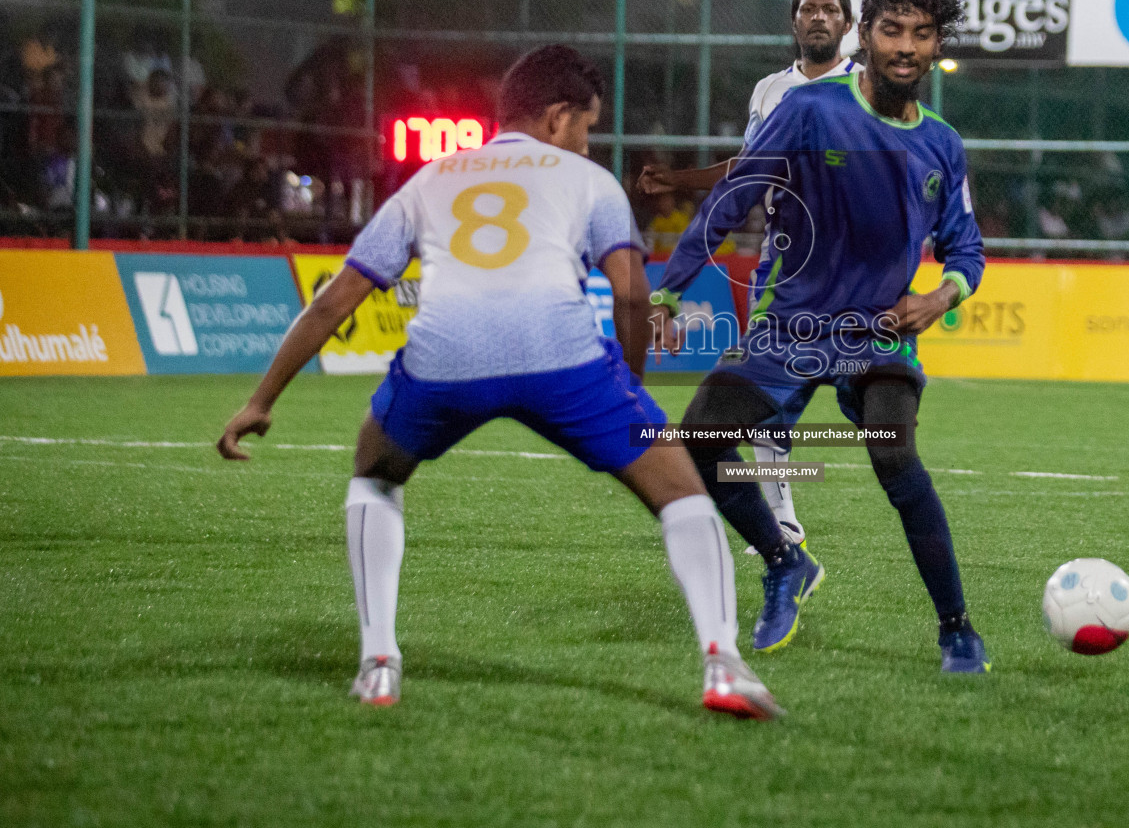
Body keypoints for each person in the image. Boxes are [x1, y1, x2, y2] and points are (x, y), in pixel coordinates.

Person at [216, 45, 782, 719]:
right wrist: (629, 390)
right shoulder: (586, 180)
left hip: (445, 360)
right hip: (561, 357)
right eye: (586, 127)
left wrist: (261, 399)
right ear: (557, 117)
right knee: (684, 493)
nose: (586, 141)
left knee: (374, 473)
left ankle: (378, 663)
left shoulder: (429, 180)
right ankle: (723, 664)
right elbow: (631, 295)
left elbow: (334, 301)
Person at [648, 0, 990, 672]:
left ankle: (957, 628)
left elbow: (967, 247)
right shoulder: (809, 110)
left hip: (876, 333)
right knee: (697, 445)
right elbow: (732, 197)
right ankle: (784, 560)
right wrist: (671, 289)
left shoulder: (942, 144)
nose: (906, 47)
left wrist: (940, 297)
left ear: (935, 48)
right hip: (791, 326)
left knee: (896, 458)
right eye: (891, 30)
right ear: (864, 36)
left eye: (922, 35)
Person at [637, 0, 861, 553]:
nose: (817, 17)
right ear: (794, 22)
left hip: (855, 274)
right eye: (808, 8)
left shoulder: (865, 89)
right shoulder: (769, 91)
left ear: (846, 24)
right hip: (780, 270)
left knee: (873, 410)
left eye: (830, 9)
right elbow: (749, 172)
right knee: (764, 397)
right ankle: (782, 517)